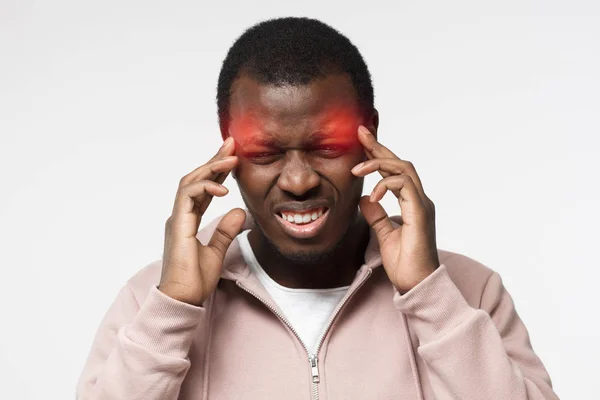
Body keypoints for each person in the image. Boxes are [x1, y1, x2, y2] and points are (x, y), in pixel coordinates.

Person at [76, 17, 558, 400]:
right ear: (227, 148)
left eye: (327, 146)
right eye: (265, 151)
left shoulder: (469, 291)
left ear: (369, 137)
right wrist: (175, 309)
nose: (299, 180)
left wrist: (429, 295)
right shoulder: (150, 301)